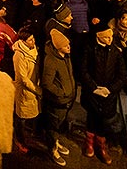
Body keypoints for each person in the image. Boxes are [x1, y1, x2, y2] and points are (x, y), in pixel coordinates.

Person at [80, 24, 127, 165]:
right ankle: (89, 142)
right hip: (92, 93)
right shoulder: (89, 49)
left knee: (104, 121)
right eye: (107, 37)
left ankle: (101, 145)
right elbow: (83, 70)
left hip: (108, 94)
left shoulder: (115, 51)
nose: (110, 39)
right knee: (92, 117)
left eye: (111, 36)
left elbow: (122, 74)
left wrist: (110, 89)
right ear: (98, 36)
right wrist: (94, 87)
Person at [42, 28, 75, 166]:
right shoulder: (51, 61)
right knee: (53, 127)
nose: (69, 47)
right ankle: (52, 149)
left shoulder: (65, 57)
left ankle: (56, 142)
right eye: (66, 45)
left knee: (58, 126)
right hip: (58, 101)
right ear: (59, 47)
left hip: (66, 99)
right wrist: (63, 93)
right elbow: (47, 83)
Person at [11, 25, 40, 155]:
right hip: (25, 90)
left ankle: (28, 135)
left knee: (31, 114)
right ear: (22, 42)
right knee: (21, 117)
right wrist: (37, 89)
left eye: (33, 39)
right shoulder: (19, 55)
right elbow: (22, 78)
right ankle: (19, 140)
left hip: (33, 87)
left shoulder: (33, 50)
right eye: (30, 40)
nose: (33, 42)